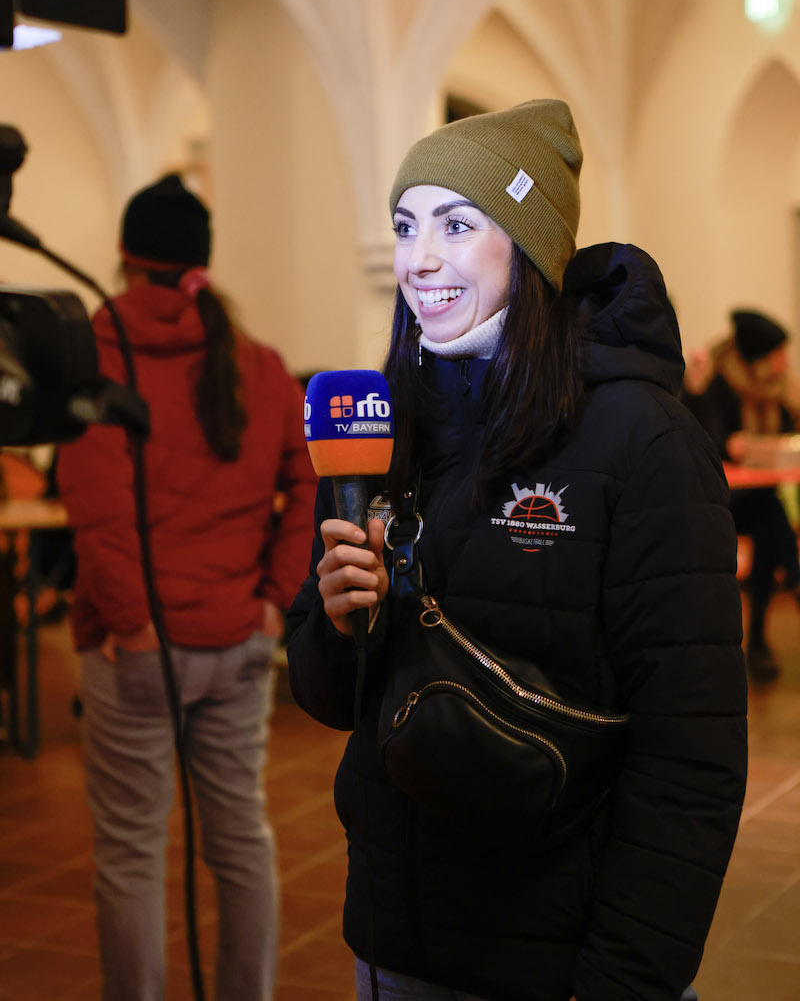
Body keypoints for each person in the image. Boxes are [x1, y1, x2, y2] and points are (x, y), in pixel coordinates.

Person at [285, 100, 748, 1001]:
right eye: (405, 226)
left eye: (457, 224)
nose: (419, 259)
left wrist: (623, 977)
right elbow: (329, 696)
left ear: (530, 248)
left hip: (561, 960)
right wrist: (341, 624)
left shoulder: (641, 440)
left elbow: (690, 754)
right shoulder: (381, 428)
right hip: (396, 945)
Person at [58, 173, 316, 1001]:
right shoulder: (259, 363)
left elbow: (98, 513)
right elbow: (310, 484)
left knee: (132, 852)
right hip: (238, 639)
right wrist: (273, 602)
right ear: (201, 260)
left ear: (125, 256)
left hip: (138, 648)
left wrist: (132, 624)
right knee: (241, 840)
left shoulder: (95, 358)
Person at [683, 309, 800, 684]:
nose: (784, 362)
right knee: (771, 514)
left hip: (758, 498)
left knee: (769, 521)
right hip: (720, 500)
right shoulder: (718, 383)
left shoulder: (778, 387)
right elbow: (714, 441)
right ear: (759, 356)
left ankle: (761, 640)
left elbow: (787, 431)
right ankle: (788, 594)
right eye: (778, 353)